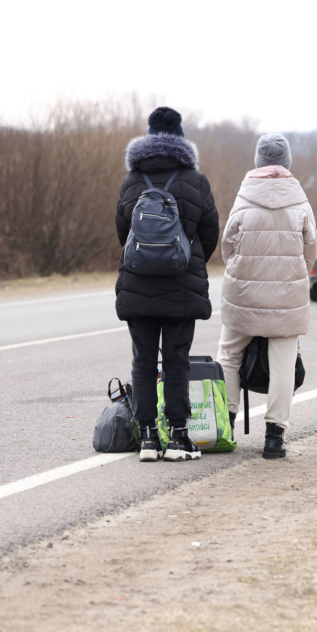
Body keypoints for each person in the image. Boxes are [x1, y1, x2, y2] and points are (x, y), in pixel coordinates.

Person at [115, 107, 220, 462]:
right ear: (180, 136)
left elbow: (122, 233)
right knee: (176, 362)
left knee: (142, 362)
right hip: (181, 286)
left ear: (147, 135)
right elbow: (210, 233)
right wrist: (186, 260)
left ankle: (146, 439)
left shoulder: (132, 180)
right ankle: (177, 438)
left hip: (138, 284)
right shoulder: (195, 180)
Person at [217, 134, 317, 460]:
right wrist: (297, 276)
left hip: (244, 293)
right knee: (283, 364)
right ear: (287, 162)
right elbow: (310, 251)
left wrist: (239, 268)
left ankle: (225, 425)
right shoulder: (300, 201)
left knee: (229, 356)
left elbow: (227, 246)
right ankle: (274, 438)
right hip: (287, 296)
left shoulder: (244, 199)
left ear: (258, 161)